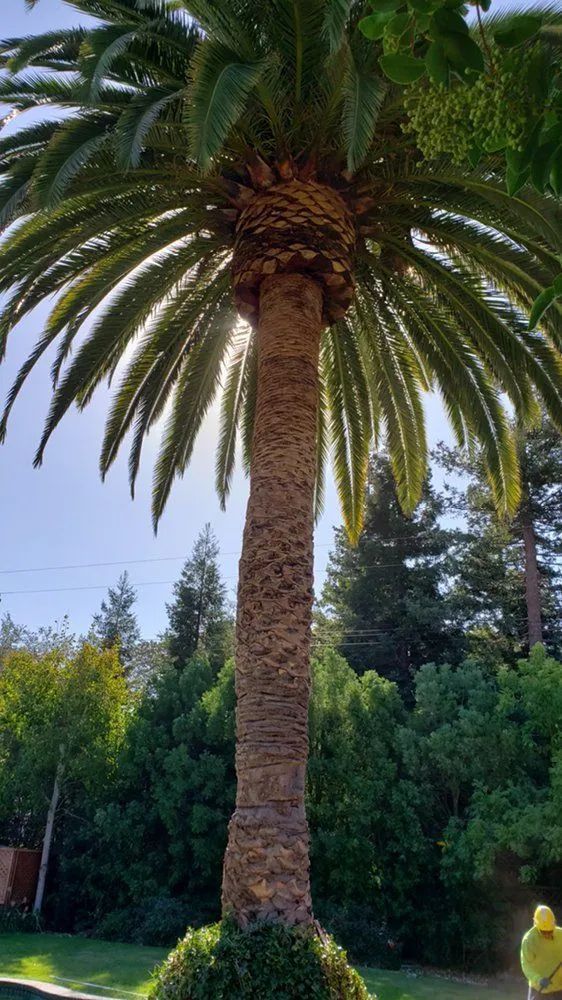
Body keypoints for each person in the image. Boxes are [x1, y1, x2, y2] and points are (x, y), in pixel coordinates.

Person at [521, 906, 562, 997]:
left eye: (550, 931)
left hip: (559, 989)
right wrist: (538, 979)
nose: (547, 934)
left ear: (554, 923)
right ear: (535, 924)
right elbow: (526, 965)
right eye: (544, 932)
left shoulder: (561, 935)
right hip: (538, 989)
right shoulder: (529, 940)